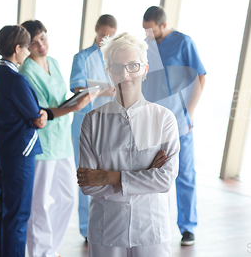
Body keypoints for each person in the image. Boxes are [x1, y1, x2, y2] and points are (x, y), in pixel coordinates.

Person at [77, 33, 180, 257]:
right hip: (107, 230)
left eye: (133, 66)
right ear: (108, 72)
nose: (125, 74)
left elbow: (164, 180)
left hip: (150, 229)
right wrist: (145, 177)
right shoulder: (92, 121)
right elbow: (88, 185)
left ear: (145, 69)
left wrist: (108, 177)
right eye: (117, 67)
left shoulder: (163, 118)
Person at [18, 20, 93, 257]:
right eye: (35, 42)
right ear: (26, 46)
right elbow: (40, 112)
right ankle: (40, 252)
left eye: (44, 38)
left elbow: (60, 98)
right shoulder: (26, 72)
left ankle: (50, 247)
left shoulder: (54, 62)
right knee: (39, 202)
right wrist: (75, 106)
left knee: (68, 197)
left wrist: (77, 99)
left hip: (62, 140)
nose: (42, 45)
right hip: (43, 143)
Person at [142, 6, 206, 246]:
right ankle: (157, 225)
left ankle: (188, 227)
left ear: (162, 24)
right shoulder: (148, 45)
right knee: (155, 172)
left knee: (185, 174)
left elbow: (200, 76)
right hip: (154, 120)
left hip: (180, 121)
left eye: (150, 29)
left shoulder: (183, 42)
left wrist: (189, 113)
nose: (147, 33)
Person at [0, 25, 49, 257]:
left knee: (4, 209)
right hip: (20, 154)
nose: (28, 52)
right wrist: (42, 116)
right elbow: (36, 117)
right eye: (26, 47)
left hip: (3, 149)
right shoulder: (16, 80)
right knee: (18, 213)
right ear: (17, 48)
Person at [69, 14, 117, 239]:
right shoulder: (81, 58)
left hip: (109, 125)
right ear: (96, 30)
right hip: (84, 125)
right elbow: (78, 88)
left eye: (110, 36)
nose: (105, 38)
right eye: (102, 34)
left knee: (108, 175)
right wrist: (106, 89)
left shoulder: (115, 59)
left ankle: (105, 226)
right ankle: (87, 230)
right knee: (86, 175)